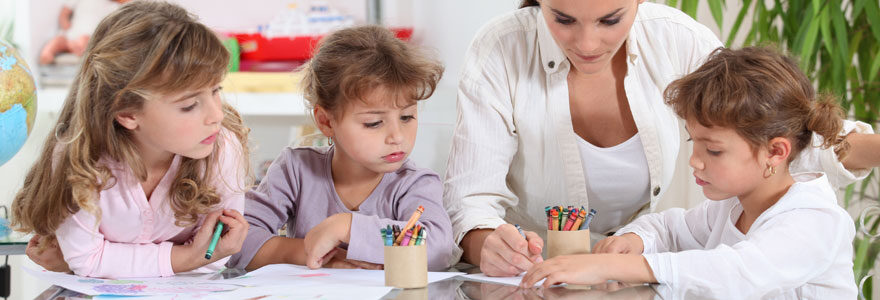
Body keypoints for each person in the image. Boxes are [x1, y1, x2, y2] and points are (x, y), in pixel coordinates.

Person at [445, 0, 879, 277]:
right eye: (563, 19)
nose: (587, 42)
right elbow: (470, 200)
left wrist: (617, 263)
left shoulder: (678, 39)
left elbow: (766, 123)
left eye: (610, 19)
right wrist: (490, 245)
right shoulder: (502, 48)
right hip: (548, 273)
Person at [521, 47, 857, 298]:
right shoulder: (734, 207)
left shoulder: (815, 221)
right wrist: (633, 241)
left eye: (713, 150)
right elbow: (669, 227)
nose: (695, 161)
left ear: (775, 152)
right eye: (692, 142)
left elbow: (735, 273)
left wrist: (612, 267)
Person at [14, 1, 251, 278]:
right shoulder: (80, 159)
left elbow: (212, 257)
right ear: (127, 112)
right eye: (189, 105)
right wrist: (186, 256)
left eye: (215, 90)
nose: (216, 115)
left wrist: (106, 258)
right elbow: (87, 260)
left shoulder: (222, 149)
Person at [225, 25, 455, 272]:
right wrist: (310, 252)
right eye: (374, 123)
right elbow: (237, 242)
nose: (397, 137)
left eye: (407, 117)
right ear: (326, 121)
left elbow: (438, 249)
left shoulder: (415, 184)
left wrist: (347, 227)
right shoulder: (295, 170)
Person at [39, 0, 126, 65]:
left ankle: (77, 49)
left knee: (86, 41)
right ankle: (47, 53)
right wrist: (65, 25)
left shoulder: (115, 6)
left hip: (91, 36)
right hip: (72, 32)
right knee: (58, 40)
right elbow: (64, 12)